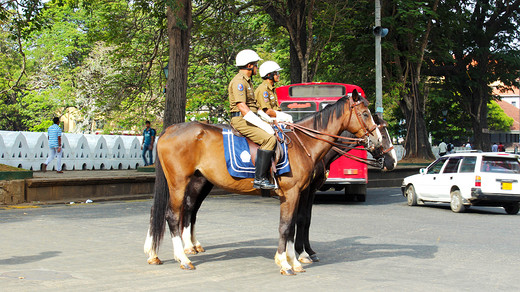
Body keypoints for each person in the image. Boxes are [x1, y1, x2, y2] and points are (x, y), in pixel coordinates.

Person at [228, 49, 276, 190]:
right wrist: (261, 124)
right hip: (241, 119)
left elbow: (255, 108)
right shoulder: (239, 82)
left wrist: (269, 120)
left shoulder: (248, 82)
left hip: (250, 117)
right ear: (249, 65)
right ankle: (260, 179)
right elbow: (242, 107)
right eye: (256, 64)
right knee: (269, 139)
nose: (257, 67)